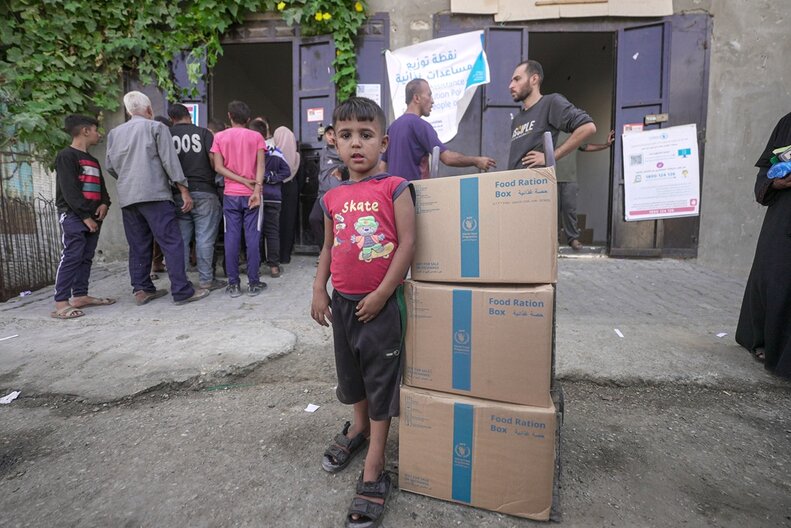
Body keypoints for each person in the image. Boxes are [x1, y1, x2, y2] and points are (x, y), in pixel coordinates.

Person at [311, 97, 415, 528]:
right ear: (334, 140)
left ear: (383, 142)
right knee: (351, 375)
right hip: (343, 304)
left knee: (380, 381)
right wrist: (319, 288)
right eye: (347, 135)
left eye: (366, 135)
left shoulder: (395, 187)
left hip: (381, 306)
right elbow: (329, 247)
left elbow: (407, 244)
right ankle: (358, 429)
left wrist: (383, 293)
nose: (356, 144)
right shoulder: (333, 196)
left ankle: (374, 467)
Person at [105, 91, 209, 306]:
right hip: (155, 194)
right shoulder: (156, 128)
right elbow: (170, 162)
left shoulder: (115, 133)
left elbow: (110, 166)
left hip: (128, 197)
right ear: (149, 109)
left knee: (138, 245)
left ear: (128, 111)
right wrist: (183, 190)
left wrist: (127, 178)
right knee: (171, 242)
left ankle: (142, 289)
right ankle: (182, 291)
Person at [507, 60, 597, 250]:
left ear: (534, 79)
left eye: (517, 79)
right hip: (514, 196)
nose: (511, 85)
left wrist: (551, 156)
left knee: (537, 253)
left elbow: (588, 127)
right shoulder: (517, 119)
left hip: (535, 196)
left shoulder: (551, 103)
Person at [736, 111, 791, 378]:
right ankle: (765, 342)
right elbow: (766, 168)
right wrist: (774, 182)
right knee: (772, 275)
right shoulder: (788, 123)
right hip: (784, 214)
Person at [51, 114, 115, 319]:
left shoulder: (93, 160)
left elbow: (102, 188)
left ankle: (80, 295)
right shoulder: (66, 156)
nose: (99, 134)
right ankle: (61, 302)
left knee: (86, 257)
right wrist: (85, 216)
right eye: (96, 130)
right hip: (74, 216)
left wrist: (105, 203)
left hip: (93, 217)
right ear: (85, 131)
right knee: (72, 256)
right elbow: (69, 191)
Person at [381, 78, 496, 181]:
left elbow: (382, 166)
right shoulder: (420, 125)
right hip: (413, 196)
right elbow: (447, 158)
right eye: (429, 95)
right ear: (416, 98)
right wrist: (476, 161)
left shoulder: (392, 127)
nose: (432, 101)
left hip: (393, 196)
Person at [210, 100, 267, 297]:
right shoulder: (257, 137)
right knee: (253, 238)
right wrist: (255, 189)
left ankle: (233, 284)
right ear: (248, 119)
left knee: (231, 238)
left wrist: (239, 180)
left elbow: (218, 167)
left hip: (230, 195)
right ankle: (253, 282)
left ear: (229, 116)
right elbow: (261, 166)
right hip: (252, 194)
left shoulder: (219, 137)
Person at [167, 103, 225, 291]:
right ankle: (207, 280)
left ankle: (181, 281)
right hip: (205, 191)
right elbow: (213, 161)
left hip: (177, 193)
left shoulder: (167, 135)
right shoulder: (203, 133)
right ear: (188, 116)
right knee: (205, 238)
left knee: (181, 240)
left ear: (172, 119)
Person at [554, 130, 615, 249]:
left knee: (570, 210)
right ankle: (554, 240)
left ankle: (572, 239)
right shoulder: (548, 132)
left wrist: (605, 145)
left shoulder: (573, 133)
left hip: (570, 179)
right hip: (550, 179)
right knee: (552, 212)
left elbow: (586, 146)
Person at [249, 118, 290, 278]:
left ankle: (256, 265)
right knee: (272, 232)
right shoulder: (276, 150)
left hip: (255, 195)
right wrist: (272, 177)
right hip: (274, 196)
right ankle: (274, 267)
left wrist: (264, 177)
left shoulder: (250, 150)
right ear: (266, 133)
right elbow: (286, 172)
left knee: (256, 231)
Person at [309, 123, 346, 247]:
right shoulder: (323, 151)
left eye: (334, 134)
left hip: (338, 194)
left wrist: (341, 169)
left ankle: (337, 252)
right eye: (329, 134)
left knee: (338, 224)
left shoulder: (342, 149)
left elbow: (351, 161)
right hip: (322, 194)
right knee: (314, 219)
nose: (331, 137)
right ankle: (324, 250)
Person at [274, 126, 301, 264]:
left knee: (275, 222)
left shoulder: (274, 154)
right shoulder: (297, 156)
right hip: (291, 188)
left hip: (276, 188)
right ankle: (286, 256)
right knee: (289, 222)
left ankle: (274, 256)